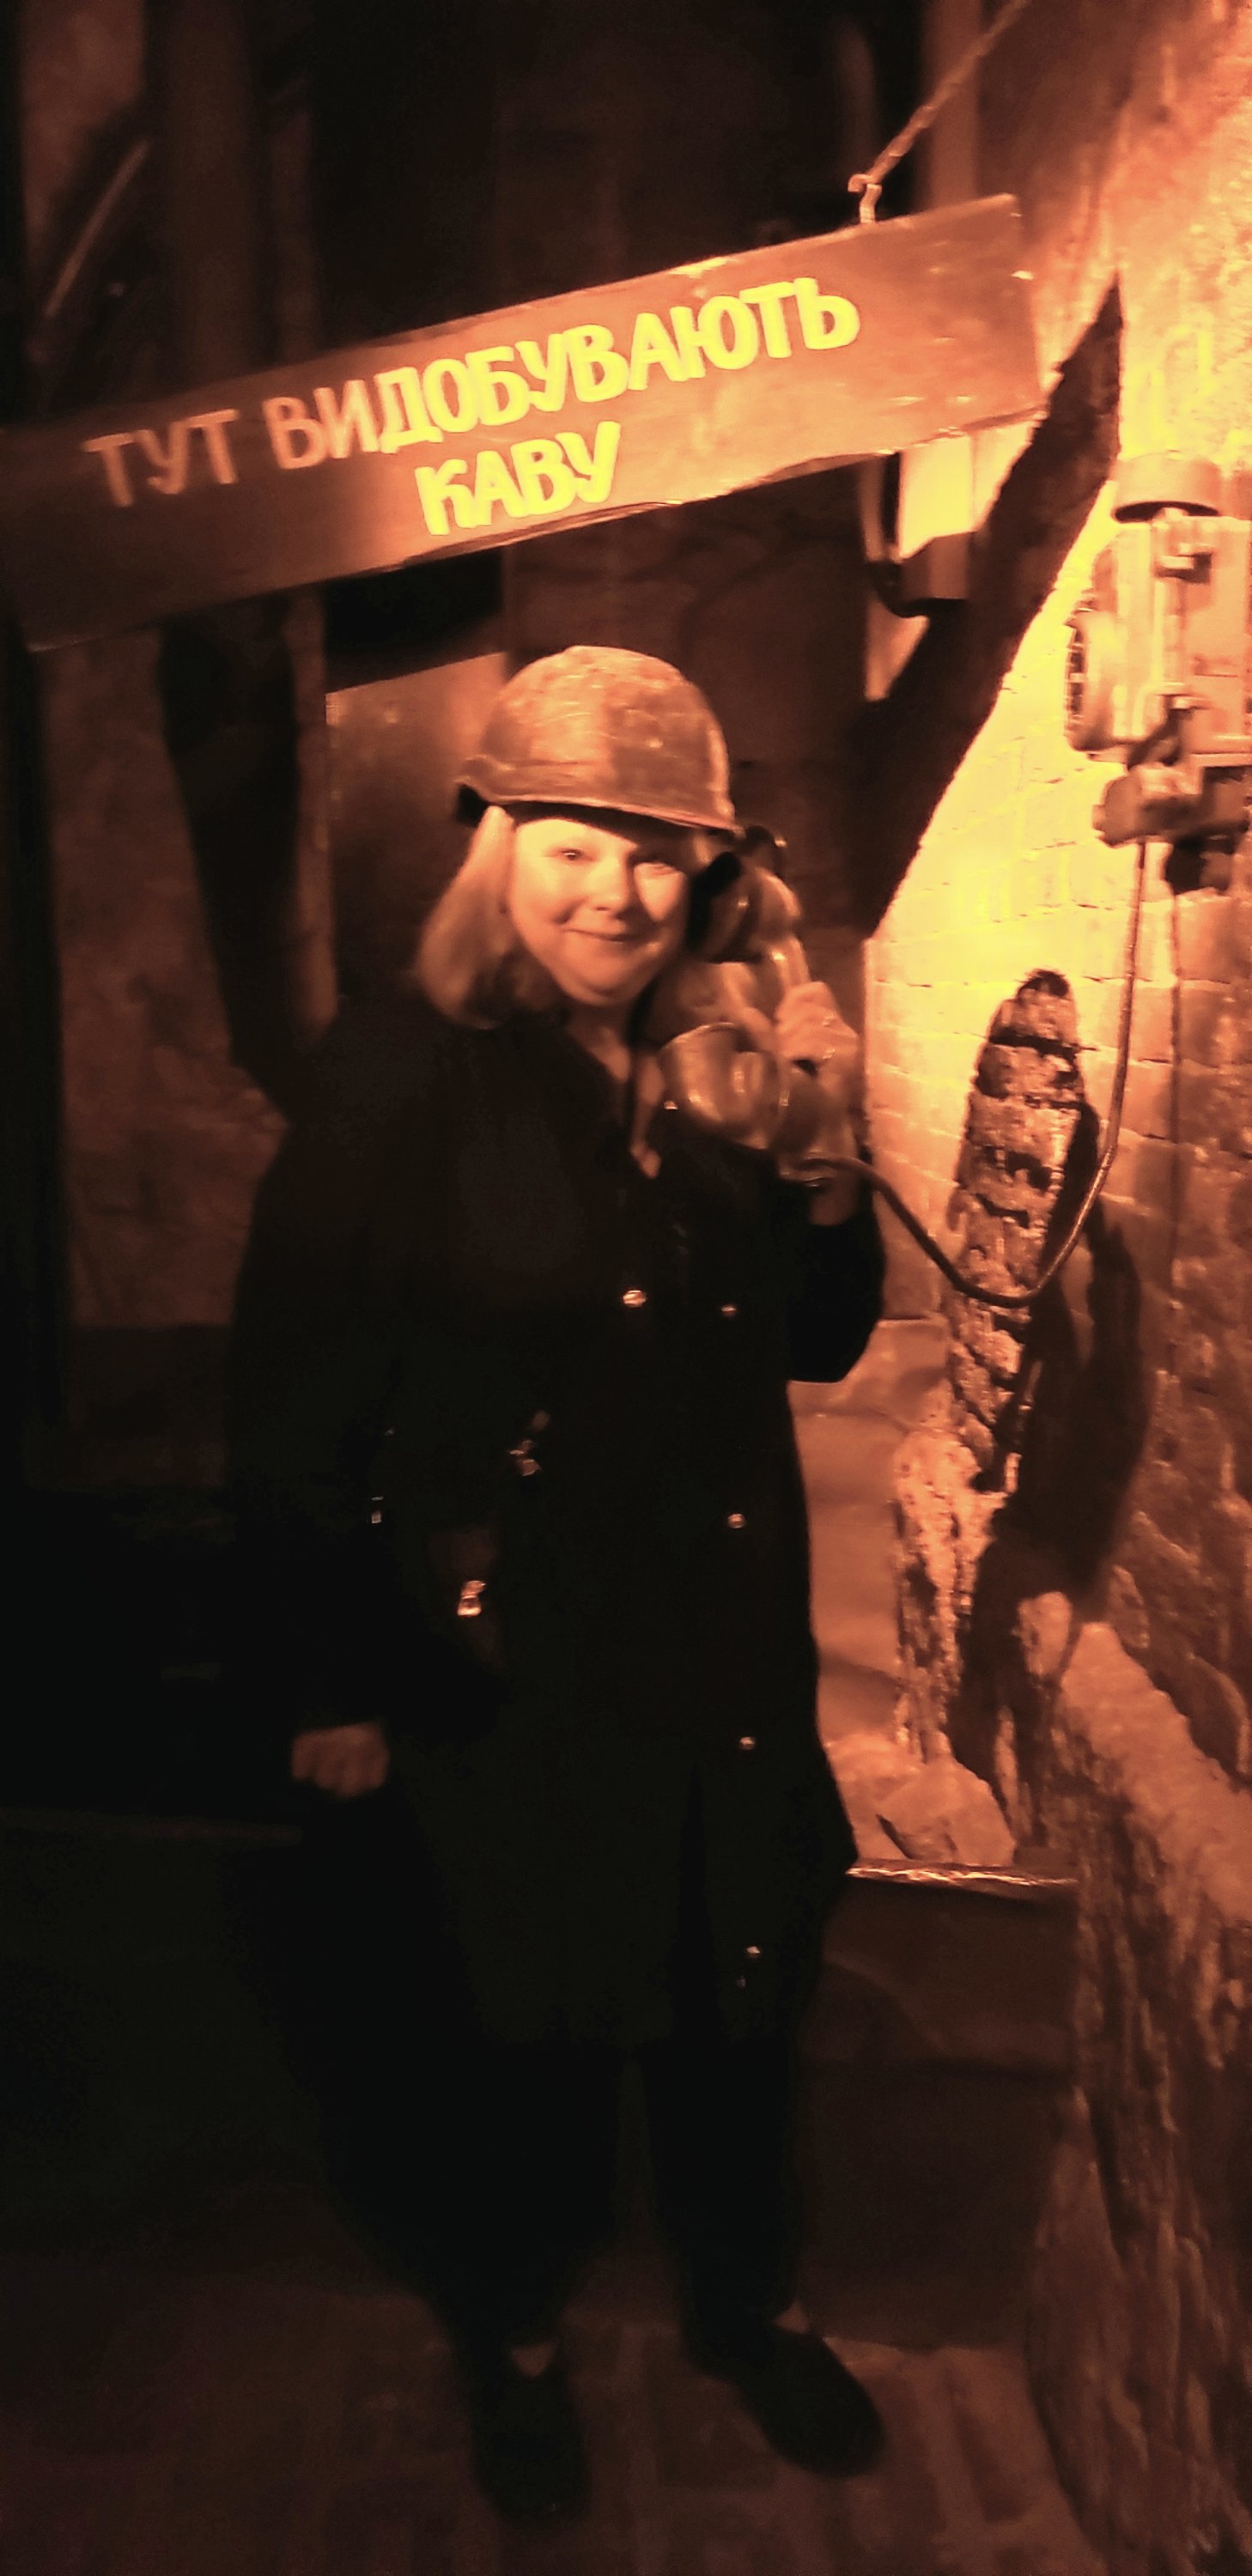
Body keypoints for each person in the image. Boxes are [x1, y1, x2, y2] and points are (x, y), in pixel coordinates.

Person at [229, 645, 885, 2523]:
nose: (617, 891)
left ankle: (749, 2301)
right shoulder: (402, 1075)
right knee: (519, 2024)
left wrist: (821, 1157)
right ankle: (514, 2338)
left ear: (715, 875)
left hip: (720, 1636)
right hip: (514, 1652)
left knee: (735, 1989)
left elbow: (814, 1339)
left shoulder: (718, 1068)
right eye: (575, 845)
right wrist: (329, 1681)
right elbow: (294, 1396)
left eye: (658, 853)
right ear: (496, 848)